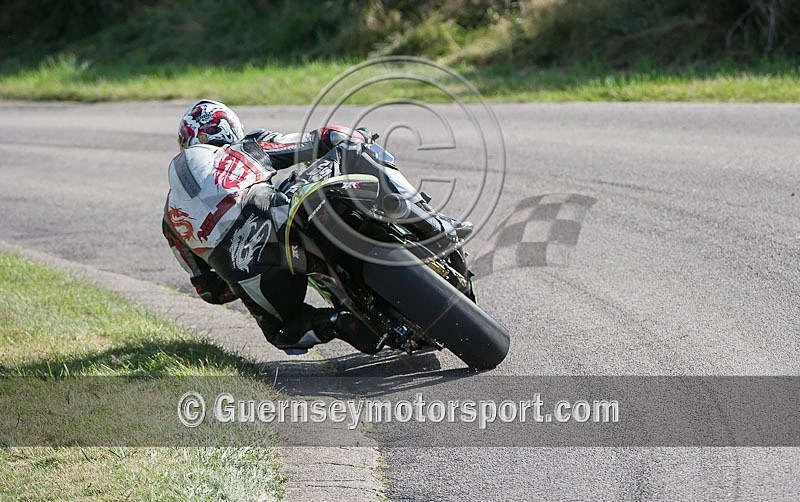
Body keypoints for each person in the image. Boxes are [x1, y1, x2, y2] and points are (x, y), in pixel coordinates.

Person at [163, 99, 469, 355]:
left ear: (187, 140)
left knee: (283, 331)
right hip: (276, 215)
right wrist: (357, 136)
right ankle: (433, 223)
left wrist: (240, 268)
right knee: (353, 150)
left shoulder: (170, 220)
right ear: (231, 129)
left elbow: (209, 290)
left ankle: (339, 323)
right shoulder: (245, 147)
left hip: (248, 268)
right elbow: (321, 138)